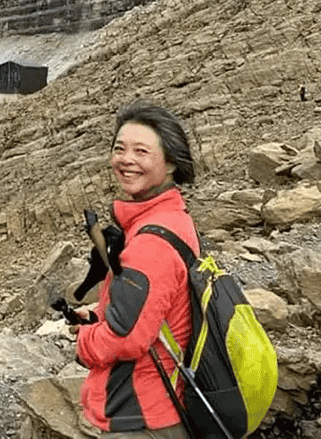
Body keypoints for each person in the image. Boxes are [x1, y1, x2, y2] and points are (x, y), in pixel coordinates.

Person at [75, 101, 200, 439]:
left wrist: (84, 341)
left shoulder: (151, 242)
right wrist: (101, 312)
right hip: (162, 407)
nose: (126, 160)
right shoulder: (172, 219)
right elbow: (153, 308)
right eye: (120, 148)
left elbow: (125, 340)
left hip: (143, 419)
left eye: (141, 151)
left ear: (171, 162)